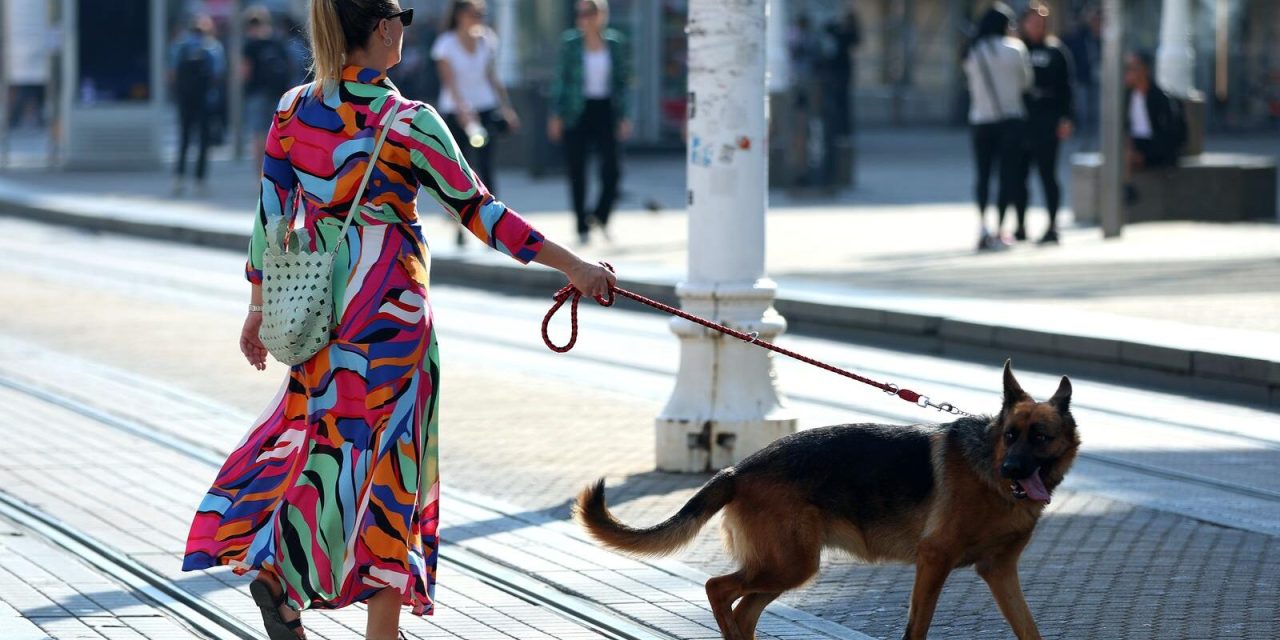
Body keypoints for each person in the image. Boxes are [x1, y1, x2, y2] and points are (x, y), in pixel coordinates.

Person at [180, 2, 615, 640]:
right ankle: (379, 628)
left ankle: (279, 571)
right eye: (402, 15)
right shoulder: (408, 121)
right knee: (392, 467)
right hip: (394, 321)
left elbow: (272, 218)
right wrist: (573, 266)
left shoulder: (292, 110)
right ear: (383, 28)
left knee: (327, 450)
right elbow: (482, 214)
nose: (406, 27)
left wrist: (256, 306)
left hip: (322, 320)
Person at [432, 0, 520, 247]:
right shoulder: (445, 44)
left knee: (487, 166)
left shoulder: (487, 40)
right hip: (457, 113)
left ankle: (494, 226)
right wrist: (463, 111)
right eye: (475, 13)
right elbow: (450, 82)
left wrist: (506, 107)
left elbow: (492, 76)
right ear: (461, 15)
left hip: (485, 107)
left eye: (482, 13)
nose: (480, 18)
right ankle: (461, 227)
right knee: (461, 172)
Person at [548, 0, 632, 245]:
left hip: (605, 109)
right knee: (577, 169)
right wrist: (556, 115)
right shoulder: (570, 44)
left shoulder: (615, 43)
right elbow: (560, 81)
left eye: (590, 12)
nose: (585, 17)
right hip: (577, 110)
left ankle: (600, 215)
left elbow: (623, 82)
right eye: (580, 13)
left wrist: (624, 115)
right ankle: (581, 224)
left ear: (601, 14)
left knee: (613, 169)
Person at [962, 3, 1032, 251]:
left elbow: (970, 84)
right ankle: (1001, 229)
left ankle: (982, 226)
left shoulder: (974, 51)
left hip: (981, 120)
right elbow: (1026, 83)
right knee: (1007, 175)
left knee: (983, 175)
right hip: (1010, 120)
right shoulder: (1015, 50)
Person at [1013, 2, 1074, 245]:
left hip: (1047, 122)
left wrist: (1067, 118)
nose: (1036, 27)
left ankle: (1052, 225)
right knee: (1018, 176)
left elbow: (1067, 88)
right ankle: (1019, 225)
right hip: (1021, 120)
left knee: (1048, 175)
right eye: (1031, 22)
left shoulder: (1056, 51)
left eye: (1040, 23)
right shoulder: (1016, 50)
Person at [169, 15, 226, 196]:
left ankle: (179, 178)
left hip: (186, 100)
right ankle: (200, 180)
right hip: (205, 100)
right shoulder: (213, 47)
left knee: (184, 138)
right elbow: (218, 73)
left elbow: (171, 72)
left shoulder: (180, 45)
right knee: (203, 140)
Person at [1124, 50, 1186, 203]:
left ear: (1144, 70)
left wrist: (1145, 154)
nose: (1128, 73)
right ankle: (1126, 189)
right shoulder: (1127, 96)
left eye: (1132, 68)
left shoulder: (1159, 98)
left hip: (1155, 147)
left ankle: (1128, 191)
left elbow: (1171, 135)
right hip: (1135, 143)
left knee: (1126, 158)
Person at [242, 6, 294, 171]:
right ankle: (277, 171)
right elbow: (289, 66)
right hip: (278, 93)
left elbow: (245, 71)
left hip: (256, 92)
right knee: (279, 133)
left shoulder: (250, 45)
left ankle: (260, 174)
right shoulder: (277, 41)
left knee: (258, 133)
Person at [816, 5, 862, 187]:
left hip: (841, 74)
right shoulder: (831, 30)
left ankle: (843, 131)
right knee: (832, 108)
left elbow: (856, 41)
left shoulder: (847, 32)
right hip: (830, 76)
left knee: (842, 105)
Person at [1064, 5, 1101, 136]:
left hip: (1099, 79)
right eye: (1093, 20)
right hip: (1082, 77)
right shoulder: (1080, 36)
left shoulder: (1102, 39)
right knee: (1082, 109)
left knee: (1098, 108)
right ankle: (1083, 134)